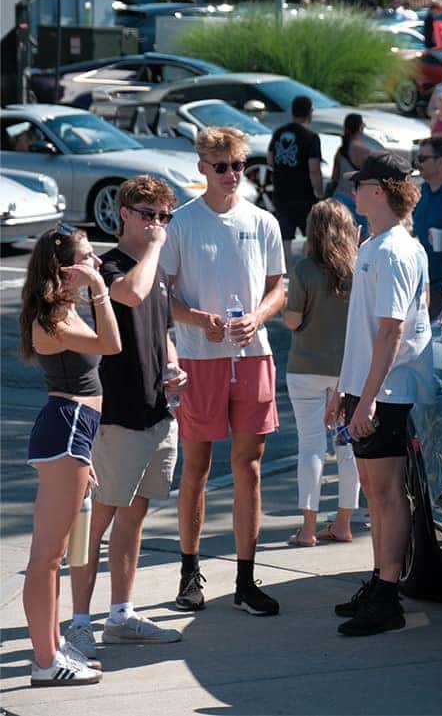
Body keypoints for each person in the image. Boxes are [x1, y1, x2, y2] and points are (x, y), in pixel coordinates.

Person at [161, 127, 287, 616]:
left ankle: (244, 578)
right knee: (195, 468)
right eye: (222, 166)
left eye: (239, 166)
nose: (233, 175)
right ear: (202, 169)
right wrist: (199, 320)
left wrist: (258, 315)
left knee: (248, 468)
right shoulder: (182, 223)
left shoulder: (263, 222)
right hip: (199, 357)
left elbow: (279, 287)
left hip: (253, 354)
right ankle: (190, 572)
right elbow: (164, 294)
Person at [65, 178, 185, 666]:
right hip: (115, 418)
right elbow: (132, 297)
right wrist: (155, 250)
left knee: (134, 517)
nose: (157, 224)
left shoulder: (153, 270)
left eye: (164, 216)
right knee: (93, 521)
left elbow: (160, 326)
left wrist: (174, 365)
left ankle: (120, 614)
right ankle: (77, 623)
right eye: (148, 214)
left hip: (157, 413)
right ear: (123, 214)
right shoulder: (110, 267)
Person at [331, 153, 432, 637]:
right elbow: (362, 332)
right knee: (373, 491)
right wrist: (344, 389)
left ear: (382, 189)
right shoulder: (374, 244)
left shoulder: (394, 251)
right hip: (367, 387)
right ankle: (378, 580)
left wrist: (367, 399)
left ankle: (389, 594)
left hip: (387, 390)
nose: (353, 190)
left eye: (360, 183)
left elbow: (392, 332)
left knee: (388, 493)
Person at [20, 225, 120, 685]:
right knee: (47, 556)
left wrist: (85, 460)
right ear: (63, 268)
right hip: (66, 429)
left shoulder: (62, 310)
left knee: (55, 555)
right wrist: (100, 291)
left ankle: (54, 647)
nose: (95, 263)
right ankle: (45, 662)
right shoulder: (52, 319)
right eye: (87, 258)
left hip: (73, 435)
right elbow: (111, 346)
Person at [281, 199, 360, 548]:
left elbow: (293, 320)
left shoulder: (304, 270)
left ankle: (309, 528)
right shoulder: (358, 270)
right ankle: (343, 522)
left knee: (311, 446)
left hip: (306, 369)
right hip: (347, 373)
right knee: (347, 447)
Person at [267, 95, 324, 270]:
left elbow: (270, 159)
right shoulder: (311, 137)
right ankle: (306, 274)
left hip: (281, 193)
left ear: (293, 111)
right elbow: (313, 168)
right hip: (304, 195)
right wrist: (320, 192)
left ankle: (286, 275)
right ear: (310, 112)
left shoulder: (278, 132)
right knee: (311, 235)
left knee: (285, 238)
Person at [411, 137, 442, 319]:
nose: (417, 163)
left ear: (441, 161)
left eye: (423, 159)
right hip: (418, 283)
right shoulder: (420, 192)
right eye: (417, 158)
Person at [331, 113, 371, 233]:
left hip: (338, 198)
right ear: (360, 128)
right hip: (355, 201)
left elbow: (335, 177)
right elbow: (370, 178)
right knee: (360, 242)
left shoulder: (341, 150)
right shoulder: (363, 150)